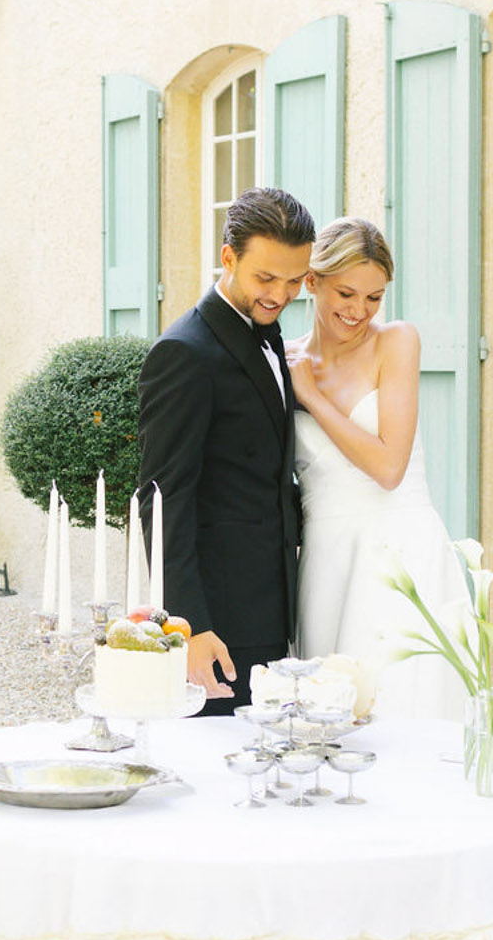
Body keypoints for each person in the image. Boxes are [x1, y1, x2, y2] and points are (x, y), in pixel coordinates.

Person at [138, 187, 315, 708]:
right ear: (228, 258)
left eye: (294, 281)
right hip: (219, 621)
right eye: (266, 278)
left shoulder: (268, 333)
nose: (280, 295)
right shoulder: (184, 353)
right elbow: (162, 499)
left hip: (274, 606)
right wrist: (190, 625)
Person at [287, 217, 467, 718]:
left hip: (401, 550)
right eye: (346, 293)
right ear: (311, 282)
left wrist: (311, 398)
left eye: (374, 297)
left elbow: (390, 467)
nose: (359, 311)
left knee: (402, 707)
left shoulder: (397, 342)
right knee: (328, 713)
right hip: (326, 557)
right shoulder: (283, 358)